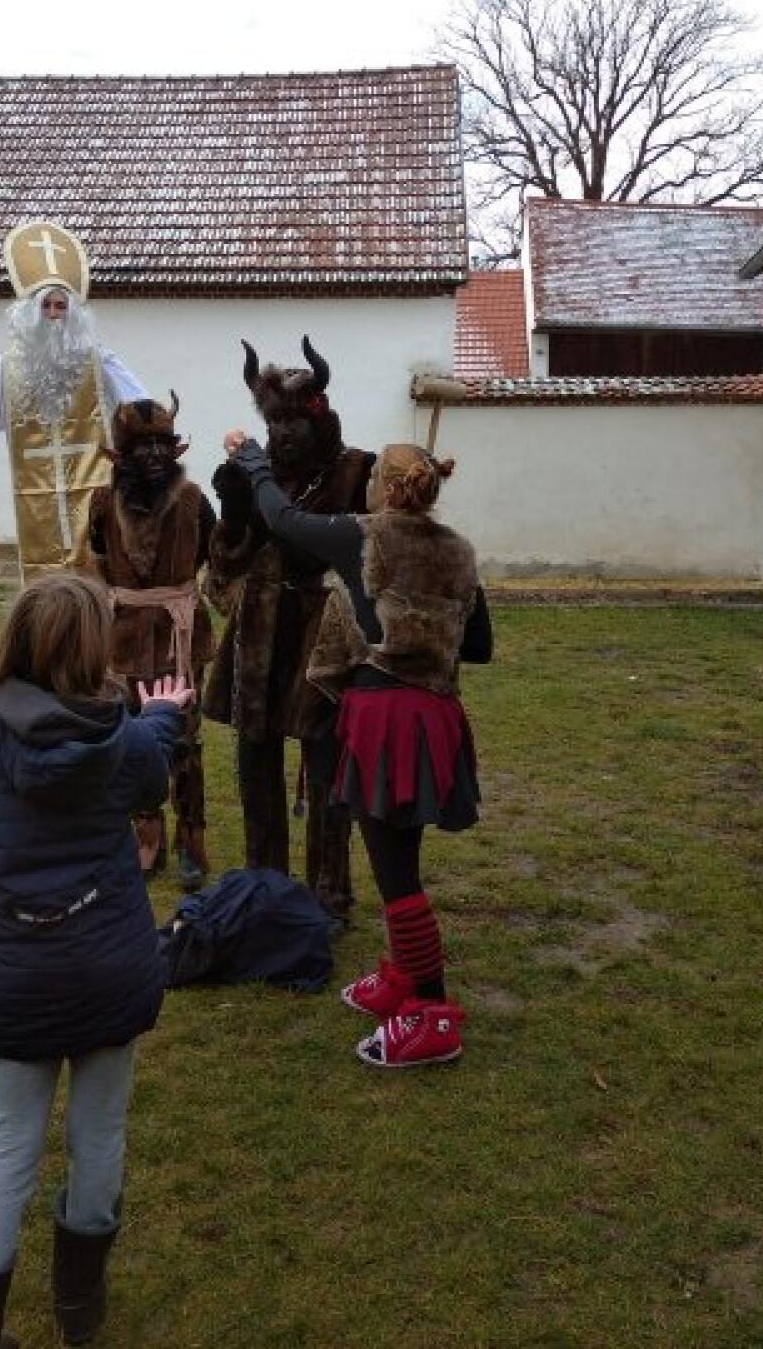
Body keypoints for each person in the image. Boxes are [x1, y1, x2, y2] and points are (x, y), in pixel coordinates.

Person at [0, 572, 192, 1348]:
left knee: (12, 1143)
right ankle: (77, 1311)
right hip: (106, 968)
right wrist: (163, 716)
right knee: (97, 1134)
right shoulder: (122, 740)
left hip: (25, 976)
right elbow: (153, 763)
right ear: (90, 650)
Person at [223, 431, 492, 1069]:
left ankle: (431, 1013)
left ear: (386, 490)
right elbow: (478, 646)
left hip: (385, 720)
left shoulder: (361, 536)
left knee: (396, 874)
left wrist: (251, 458)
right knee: (398, 856)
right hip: (435, 715)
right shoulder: (459, 550)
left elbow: (282, 518)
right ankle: (403, 975)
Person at [204, 338, 375, 920]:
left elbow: (359, 553)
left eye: (293, 421)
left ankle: (329, 891)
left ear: (318, 415)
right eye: (274, 422)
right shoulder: (258, 474)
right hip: (259, 631)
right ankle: (265, 883)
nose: (282, 433)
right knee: (255, 756)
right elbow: (227, 562)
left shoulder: (356, 470)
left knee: (327, 759)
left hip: (326, 635)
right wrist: (233, 509)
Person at [0, 220, 147, 583]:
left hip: (97, 504)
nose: (54, 314)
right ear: (30, 312)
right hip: (37, 507)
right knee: (45, 592)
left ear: (73, 314)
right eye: (46, 305)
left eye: (61, 306)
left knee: (100, 582)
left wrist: (138, 461)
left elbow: (142, 410)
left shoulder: (100, 363)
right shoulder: (4, 371)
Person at [79, 391, 216, 890]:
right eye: (143, 445)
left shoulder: (194, 500)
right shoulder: (101, 503)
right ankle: (146, 831)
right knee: (132, 734)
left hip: (180, 634)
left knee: (184, 736)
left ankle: (191, 838)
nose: (155, 454)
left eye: (162, 443)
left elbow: (211, 555)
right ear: (123, 452)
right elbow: (98, 560)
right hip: (126, 635)